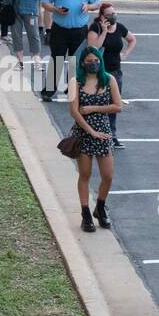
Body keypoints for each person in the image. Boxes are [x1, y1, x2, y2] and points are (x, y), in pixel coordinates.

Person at [66, 46, 122, 232]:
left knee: (108, 175)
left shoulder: (109, 79)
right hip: (83, 133)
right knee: (85, 174)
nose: (94, 64)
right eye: (89, 61)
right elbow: (74, 111)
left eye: (96, 60)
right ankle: (85, 214)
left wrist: (94, 109)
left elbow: (117, 106)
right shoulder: (75, 82)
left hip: (103, 133)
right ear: (83, 63)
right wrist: (91, 131)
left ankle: (100, 207)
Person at [39, 0, 99, 100]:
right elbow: (44, 2)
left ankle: (71, 88)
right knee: (57, 59)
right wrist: (55, 10)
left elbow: (96, 3)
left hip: (80, 30)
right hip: (60, 29)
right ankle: (49, 91)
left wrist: (88, 6)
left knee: (75, 61)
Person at [87, 3, 136, 149]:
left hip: (115, 73)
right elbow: (93, 48)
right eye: (109, 14)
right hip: (98, 72)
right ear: (102, 16)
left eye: (114, 13)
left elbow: (132, 39)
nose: (112, 16)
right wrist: (103, 31)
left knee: (114, 105)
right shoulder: (95, 28)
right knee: (97, 103)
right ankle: (93, 134)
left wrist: (125, 54)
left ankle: (111, 136)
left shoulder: (120, 27)